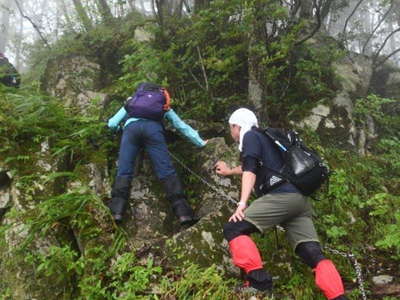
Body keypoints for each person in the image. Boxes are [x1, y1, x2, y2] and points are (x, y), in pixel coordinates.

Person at [215, 108, 347, 299]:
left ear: (237, 125)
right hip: (299, 200)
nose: (232, 133)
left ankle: (259, 285)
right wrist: (228, 172)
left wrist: (242, 204)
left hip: (281, 197)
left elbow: (250, 169)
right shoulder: (267, 137)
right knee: (311, 253)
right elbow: (250, 166)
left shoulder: (250, 135)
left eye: (231, 128)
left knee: (233, 228)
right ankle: (339, 297)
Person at [107, 82, 206, 226]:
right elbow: (180, 126)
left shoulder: (132, 102)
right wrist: (200, 142)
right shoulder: (162, 104)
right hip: (154, 131)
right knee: (166, 170)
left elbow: (111, 123)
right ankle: (183, 213)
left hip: (131, 131)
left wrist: (117, 130)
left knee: (124, 170)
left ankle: (117, 211)